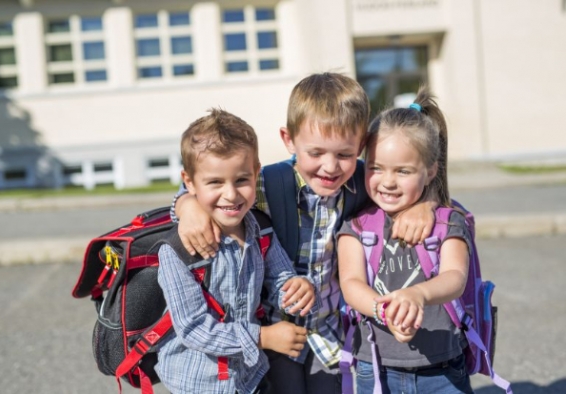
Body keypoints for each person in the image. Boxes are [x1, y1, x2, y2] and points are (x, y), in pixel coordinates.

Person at [172, 73, 436, 394]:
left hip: (329, 331)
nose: (330, 167)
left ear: (361, 146)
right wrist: (185, 205)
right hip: (272, 333)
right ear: (289, 140)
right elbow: (210, 186)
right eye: (316, 153)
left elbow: (404, 186)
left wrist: (425, 204)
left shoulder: (360, 183)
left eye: (344, 154)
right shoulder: (266, 183)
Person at [156, 108, 317, 394]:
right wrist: (263, 337)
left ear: (256, 173)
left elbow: (281, 279)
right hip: (199, 384)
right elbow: (194, 329)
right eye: (215, 182)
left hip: (250, 377)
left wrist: (298, 287)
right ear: (189, 182)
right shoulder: (178, 251)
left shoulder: (261, 229)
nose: (231, 194)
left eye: (242, 180)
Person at [337, 86, 474, 393]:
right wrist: (385, 311)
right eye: (375, 168)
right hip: (376, 366)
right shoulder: (357, 225)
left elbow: (455, 277)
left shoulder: (447, 220)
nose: (387, 181)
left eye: (403, 171)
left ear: (430, 171)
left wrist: (418, 295)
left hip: (442, 369)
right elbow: (351, 284)